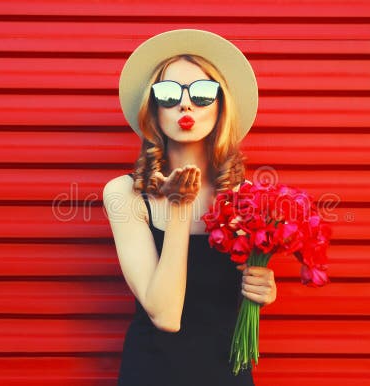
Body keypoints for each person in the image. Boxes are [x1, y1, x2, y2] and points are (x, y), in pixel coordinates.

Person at [102, 29, 277, 385]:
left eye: (202, 93)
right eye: (168, 94)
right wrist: (180, 209)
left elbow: (238, 289)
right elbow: (165, 314)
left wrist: (263, 287)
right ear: (153, 108)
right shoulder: (126, 194)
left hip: (226, 372)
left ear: (220, 105)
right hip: (151, 374)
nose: (185, 105)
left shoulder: (246, 197)